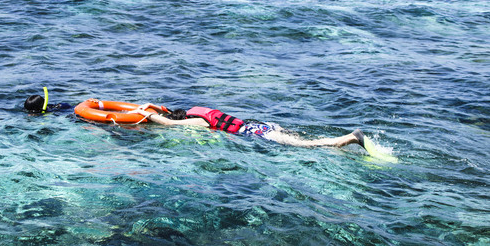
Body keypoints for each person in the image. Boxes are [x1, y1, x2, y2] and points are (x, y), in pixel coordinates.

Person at [126, 102, 375, 151]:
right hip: (261, 125)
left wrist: (143, 114)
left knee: (305, 145)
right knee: (302, 139)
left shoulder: (199, 121)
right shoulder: (197, 109)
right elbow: (168, 111)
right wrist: (152, 105)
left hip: (256, 133)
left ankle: (348, 139)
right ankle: (337, 147)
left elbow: (167, 123)